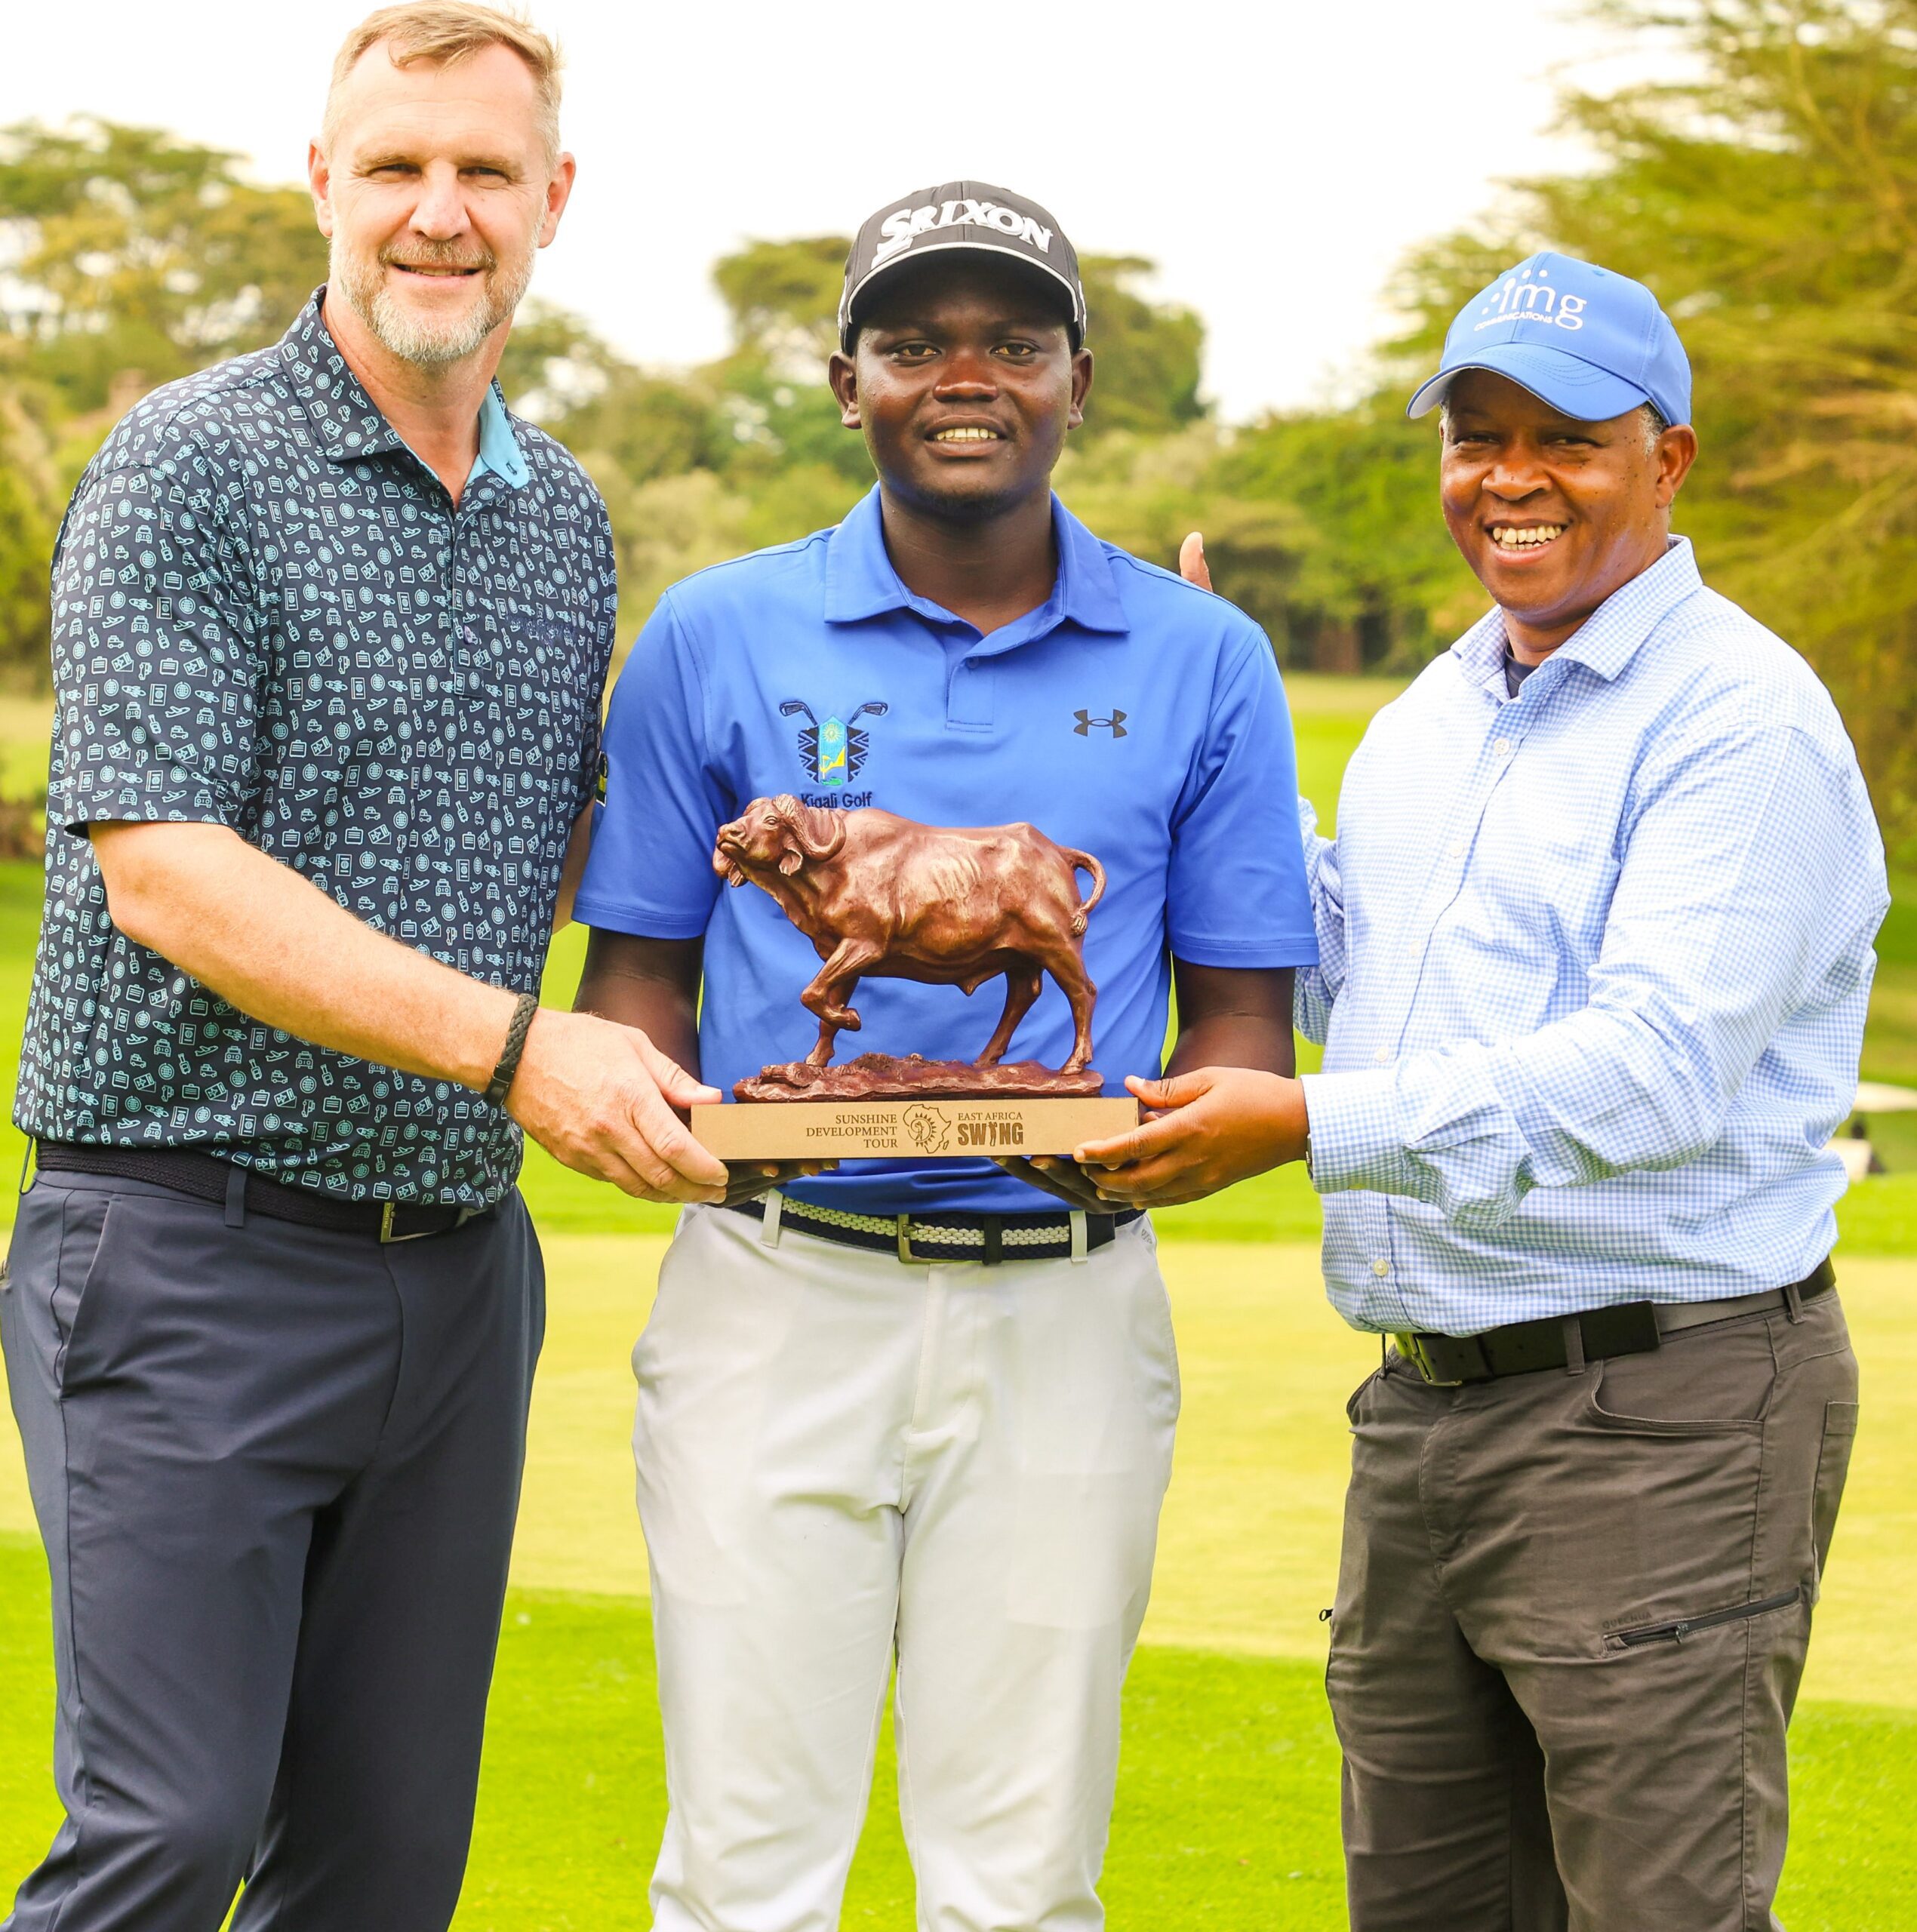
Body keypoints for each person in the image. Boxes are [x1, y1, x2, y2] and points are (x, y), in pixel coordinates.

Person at [0, 8, 727, 1930]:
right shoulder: (191, 463)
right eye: (396, 166)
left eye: (485, 170)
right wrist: (519, 1052)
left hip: (456, 1283)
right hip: (187, 1250)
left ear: (554, 199)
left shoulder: (561, 515)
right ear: (322, 181)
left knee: (381, 1871)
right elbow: (166, 871)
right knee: (166, 1827)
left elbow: (564, 849)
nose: (439, 212)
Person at [1079, 251, 1887, 1927]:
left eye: (1566, 439)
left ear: (1666, 459)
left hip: (1660, 1410)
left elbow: (1653, 1071)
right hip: (1427, 1415)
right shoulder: (1435, 716)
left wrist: (1303, 1123)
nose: (1510, 478)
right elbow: (1345, 977)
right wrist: (1208, 741)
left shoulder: (1741, 721)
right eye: (1476, 437)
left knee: (1660, 1909)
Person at [571, 182, 1319, 1931]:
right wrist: (658, 1111)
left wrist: (1178, 1129)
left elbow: (1237, 1016)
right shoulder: (714, 631)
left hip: (1066, 1300)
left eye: (1013, 342)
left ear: (1077, 381)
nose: (964, 375)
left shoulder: (1205, 655)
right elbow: (637, 983)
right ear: (848, 384)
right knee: (743, 1871)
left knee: (1021, 1879)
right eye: (913, 343)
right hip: (775, 1285)